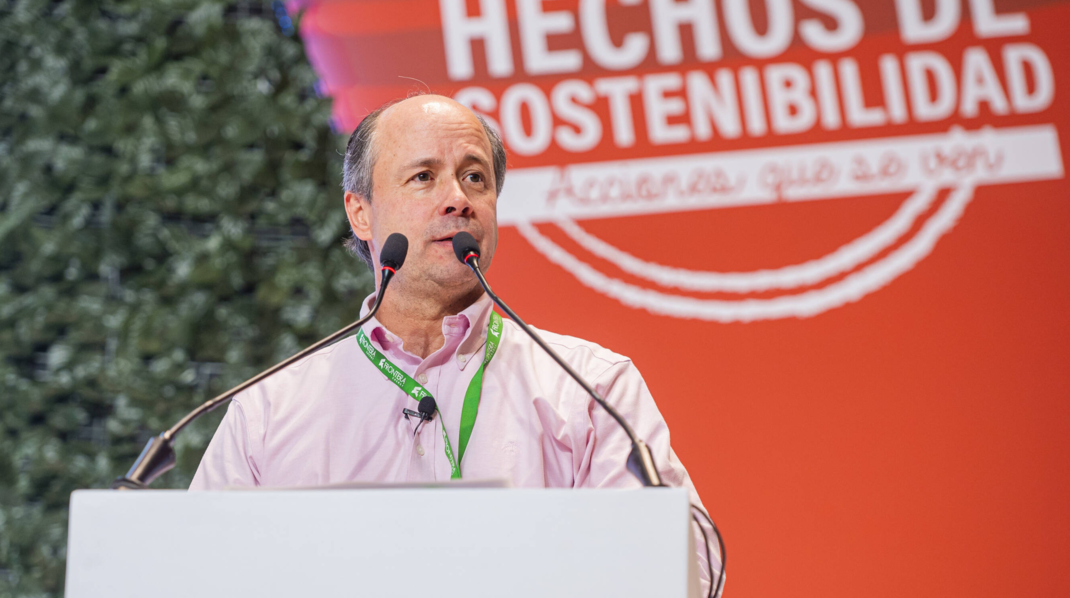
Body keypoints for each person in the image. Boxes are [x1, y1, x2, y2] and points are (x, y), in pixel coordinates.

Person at [190, 94, 720, 589]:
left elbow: (683, 570)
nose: (458, 200)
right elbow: (199, 576)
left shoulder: (589, 389)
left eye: (475, 178)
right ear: (361, 213)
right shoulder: (270, 411)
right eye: (423, 177)